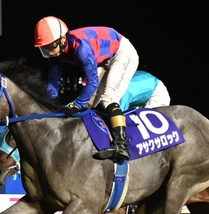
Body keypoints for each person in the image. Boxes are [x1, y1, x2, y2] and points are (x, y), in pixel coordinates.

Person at [34, 16, 139, 162]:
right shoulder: (56, 53)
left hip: (122, 53)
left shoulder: (81, 47)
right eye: (44, 48)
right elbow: (54, 82)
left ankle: (122, 146)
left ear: (62, 39)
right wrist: (46, 104)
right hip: (102, 59)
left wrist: (75, 104)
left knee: (107, 98)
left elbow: (92, 82)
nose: (49, 52)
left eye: (50, 46)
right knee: (89, 103)